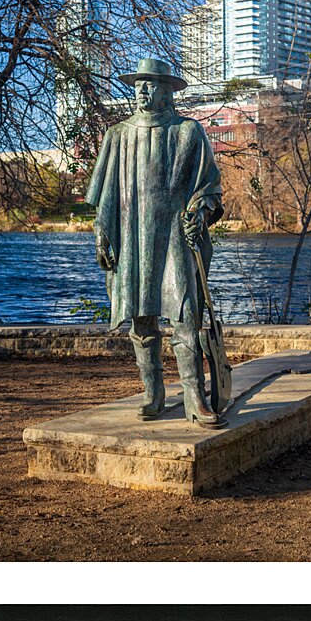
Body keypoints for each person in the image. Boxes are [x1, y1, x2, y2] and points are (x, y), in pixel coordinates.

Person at [85, 58, 224, 428]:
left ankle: (194, 396)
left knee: (185, 315)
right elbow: (105, 196)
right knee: (141, 317)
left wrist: (199, 210)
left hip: (174, 238)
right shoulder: (117, 135)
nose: (142, 90)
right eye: (138, 84)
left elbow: (209, 187)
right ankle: (153, 392)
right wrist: (102, 232)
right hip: (132, 238)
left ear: (167, 90)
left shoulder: (188, 132)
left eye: (150, 84)